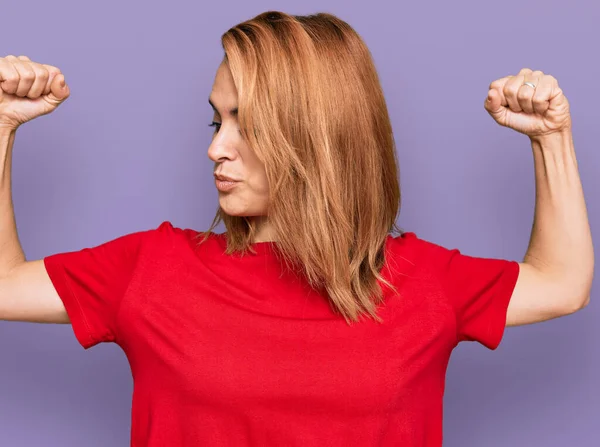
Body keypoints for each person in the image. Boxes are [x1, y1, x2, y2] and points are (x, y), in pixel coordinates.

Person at [0, 10, 593, 447]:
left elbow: (562, 282)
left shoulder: (420, 280)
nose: (215, 148)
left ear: (317, 136)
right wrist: (1, 125)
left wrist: (550, 138)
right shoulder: (150, 269)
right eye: (215, 120)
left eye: (245, 123)